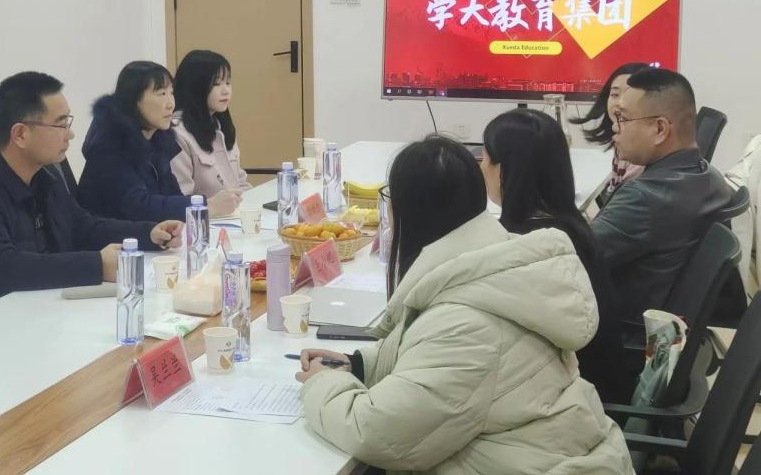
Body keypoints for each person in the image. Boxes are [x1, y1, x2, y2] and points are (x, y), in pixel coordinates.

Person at [295, 136, 633, 475]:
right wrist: (360, 365)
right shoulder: (495, 259)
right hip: (546, 453)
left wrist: (323, 383)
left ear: (408, 211)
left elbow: (377, 434)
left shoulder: (466, 325)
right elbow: (438, 364)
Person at [0, 72, 182, 317]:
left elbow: (83, 227)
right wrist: (97, 264)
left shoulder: (45, 176)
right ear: (20, 134)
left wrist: (148, 233)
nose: (70, 134)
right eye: (60, 124)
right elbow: (5, 268)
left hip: (40, 309)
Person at [481, 109, 630, 402]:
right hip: (596, 388)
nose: (481, 167)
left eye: (485, 158)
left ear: (504, 170)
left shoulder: (525, 247)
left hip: (576, 403)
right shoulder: (570, 228)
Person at [592, 67, 735, 321]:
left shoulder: (643, 199)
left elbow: (570, 260)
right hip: (667, 325)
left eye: (623, 118)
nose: (615, 127)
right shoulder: (711, 177)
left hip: (618, 329)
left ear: (660, 129)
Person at [77, 61, 241, 222]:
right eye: (162, 94)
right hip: (113, 237)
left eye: (172, 93)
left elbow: (171, 194)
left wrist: (203, 205)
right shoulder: (111, 144)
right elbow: (138, 206)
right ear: (133, 100)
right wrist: (206, 205)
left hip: (149, 234)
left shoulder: (158, 139)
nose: (171, 104)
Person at [171, 50, 251, 199]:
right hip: (207, 213)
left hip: (237, 210)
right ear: (195, 86)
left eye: (228, 82)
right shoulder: (178, 133)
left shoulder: (221, 125)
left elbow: (240, 181)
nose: (226, 91)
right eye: (216, 84)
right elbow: (182, 198)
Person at [570, 61, 651, 204]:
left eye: (630, 96)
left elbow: (625, 205)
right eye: (615, 94)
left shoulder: (641, 155)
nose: (620, 103)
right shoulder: (622, 140)